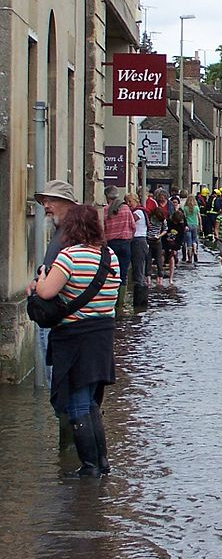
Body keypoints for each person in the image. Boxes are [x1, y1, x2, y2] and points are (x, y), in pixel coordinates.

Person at [30, 204, 121, 476]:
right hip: (102, 335)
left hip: (76, 337)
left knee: (78, 403)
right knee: (91, 400)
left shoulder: (69, 256)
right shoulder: (110, 256)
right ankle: (102, 462)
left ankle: (90, 467)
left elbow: (46, 292)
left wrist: (39, 281)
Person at [30, 179, 78, 448]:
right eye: (43, 201)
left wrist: (44, 285)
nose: (45, 206)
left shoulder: (72, 234)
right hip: (50, 315)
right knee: (57, 387)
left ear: (68, 204)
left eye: (51, 201)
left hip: (59, 320)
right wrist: (39, 278)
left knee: (61, 389)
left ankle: (71, 454)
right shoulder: (61, 231)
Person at [102, 185, 134, 291]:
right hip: (125, 243)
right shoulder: (126, 208)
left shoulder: (106, 210)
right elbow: (133, 226)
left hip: (111, 244)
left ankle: (112, 297)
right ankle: (121, 301)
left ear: (107, 196)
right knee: (123, 273)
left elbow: (103, 228)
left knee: (110, 272)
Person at [182, 194, 201, 264]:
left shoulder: (185, 208)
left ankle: (189, 258)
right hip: (195, 225)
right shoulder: (196, 208)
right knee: (194, 240)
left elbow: (184, 217)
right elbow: (199, 217)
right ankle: (195, 252)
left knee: (189, 242)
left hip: (188, 225)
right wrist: (200, 225)